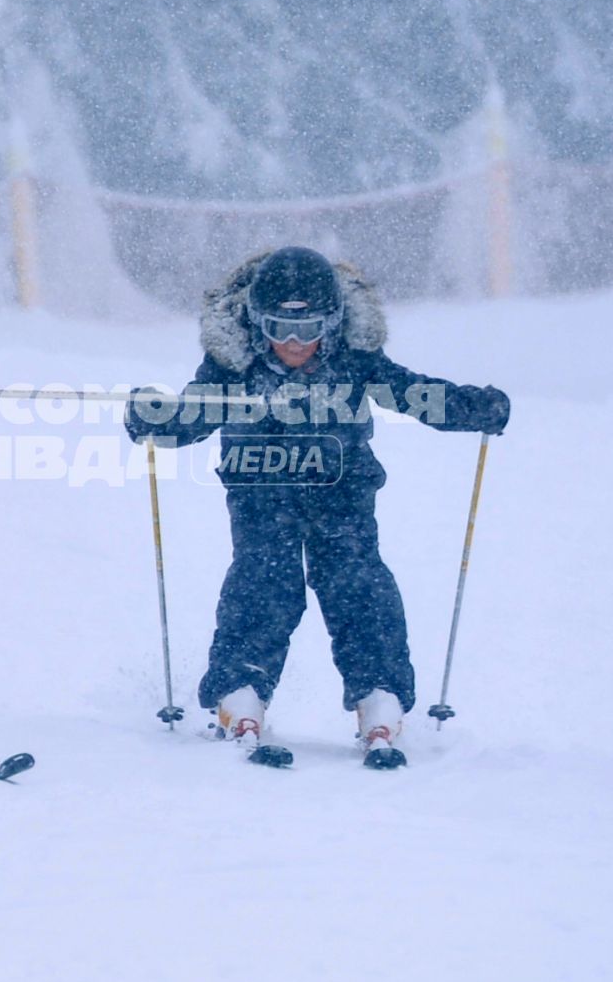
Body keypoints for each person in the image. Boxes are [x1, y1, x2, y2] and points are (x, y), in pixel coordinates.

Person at [124, 246, 510, 769]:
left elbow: (413, 394)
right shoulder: (233, 363)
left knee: (356, 579)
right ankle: (241, 689)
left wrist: (471, 408)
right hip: (261, 489)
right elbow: (195, 415)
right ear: (256, 323)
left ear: (331, 325)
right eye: (279, 329)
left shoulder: (354, 356)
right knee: (265, 577)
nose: (292, 344)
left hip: (341, 489)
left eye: (307, 332)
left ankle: (379, 692)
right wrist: (157, 420)